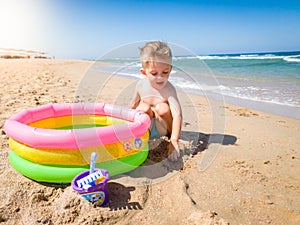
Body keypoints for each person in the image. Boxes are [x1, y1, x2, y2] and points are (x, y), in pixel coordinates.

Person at [131, 41, 182, 161]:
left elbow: (177, 115)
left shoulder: (169, 89)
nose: (160, 77)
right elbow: (132, 107)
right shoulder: (140, 85)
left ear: (170, 69)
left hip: (163, 128)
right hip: (146, 128)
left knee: (162, 108)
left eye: (165, 72)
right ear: (144, 72)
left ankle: (168, 138)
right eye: (154, 73)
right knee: (142, 108)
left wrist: (174, 140)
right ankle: (143, 136)